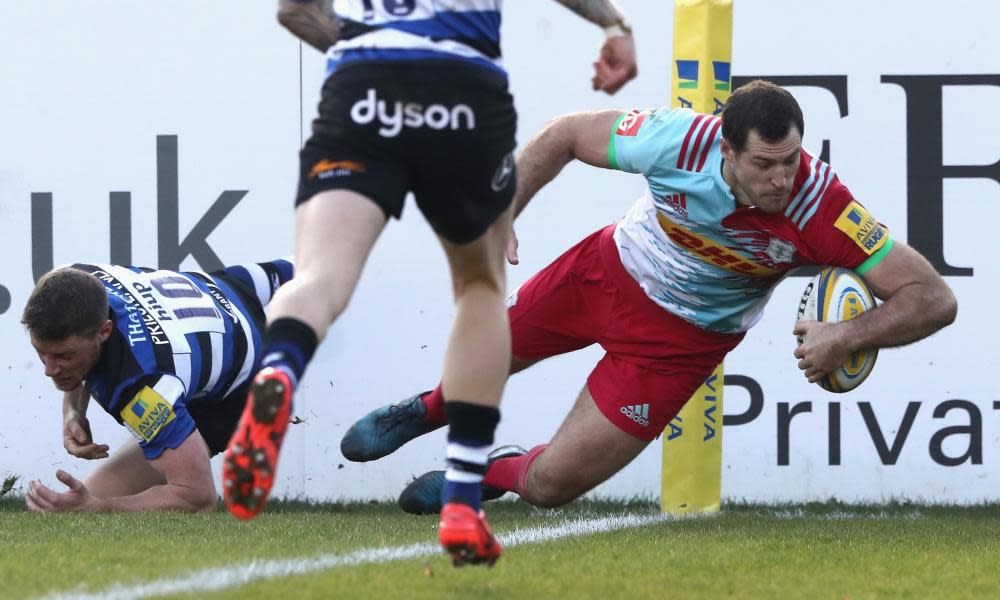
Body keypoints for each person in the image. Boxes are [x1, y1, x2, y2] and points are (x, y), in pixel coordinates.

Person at [339, 80, 958, 515]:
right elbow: (563, 136)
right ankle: (423, 411)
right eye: (766, 164)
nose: (781, 178)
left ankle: (480, 476)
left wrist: (847, 335)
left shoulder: (821, 204)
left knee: (552, 486)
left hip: (681, 345)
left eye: (791, 159)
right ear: (726, 149)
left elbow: (932, 297)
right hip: (606, 273)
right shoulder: (676, 140)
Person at [222, 0, 637, 567]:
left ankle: (276, 376)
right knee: (479, 289)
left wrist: (375, 45)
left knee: (319, 274)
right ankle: (463, 499)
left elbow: (294, 11)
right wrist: (612, 25)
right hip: (461, 85)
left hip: (361, 82)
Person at [20, 259, 293, 513]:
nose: (48, 370)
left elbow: (198, 496)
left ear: (104, 332)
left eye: (64, 356)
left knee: (85, 510)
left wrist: (101, 507)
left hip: (243, 385)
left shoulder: (142, 389)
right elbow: (81, 353)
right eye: (41, 352)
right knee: (318, 263)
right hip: (223, 286)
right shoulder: (77, 278)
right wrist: (73, 413)